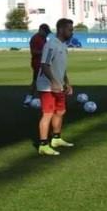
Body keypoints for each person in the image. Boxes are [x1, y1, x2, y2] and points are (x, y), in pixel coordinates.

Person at [36, 18, 75, 156]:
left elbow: (62, 68)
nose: (72, 32)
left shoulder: (63, 45)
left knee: (60, 111)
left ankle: (56, 138)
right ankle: (43, 145)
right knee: (48, 114)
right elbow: (44, 65)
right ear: (61, 29)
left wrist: (67, 82)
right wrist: (53, 81)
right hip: (47, 86)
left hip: (59, 85)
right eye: (70, 29)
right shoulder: (51, 44)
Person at [23, 23, 51, 106]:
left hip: (43, 63)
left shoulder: (43, 38)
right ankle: (30, 99)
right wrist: (45, 52)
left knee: (40, 82)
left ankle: (30, 99)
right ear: (41, 30)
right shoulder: (35, 38)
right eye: (46, 32)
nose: (47, 34)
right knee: (37, 82)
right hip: (37, 64)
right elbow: (34, 52)